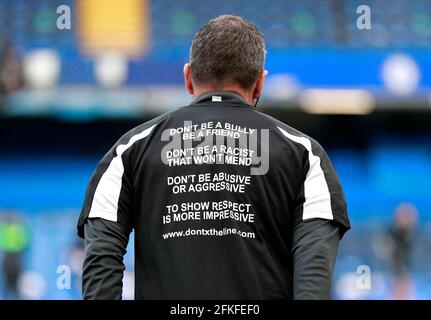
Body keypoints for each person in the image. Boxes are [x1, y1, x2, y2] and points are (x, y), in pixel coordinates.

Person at [78, 15, 350, 300]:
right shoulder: (306, 156)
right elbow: (313, 280)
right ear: (259, 83)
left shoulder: (129, 150)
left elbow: (101, 262)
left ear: (187, 77)